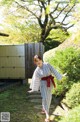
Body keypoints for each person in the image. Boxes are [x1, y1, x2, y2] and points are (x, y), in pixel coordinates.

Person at [28, 55, 62, 122]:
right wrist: (33, 89)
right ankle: (47, 115)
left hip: (50, 83)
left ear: (41, 60)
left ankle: (44, 109)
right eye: (36, 61)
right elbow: (35, 80)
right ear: (35, 62)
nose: (38, 62)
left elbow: (54, 71)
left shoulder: (47, 65)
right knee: (45, 98)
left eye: (39, 60)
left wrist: (60, 77)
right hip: (43, 84)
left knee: (48, 97)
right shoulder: (37, 71)